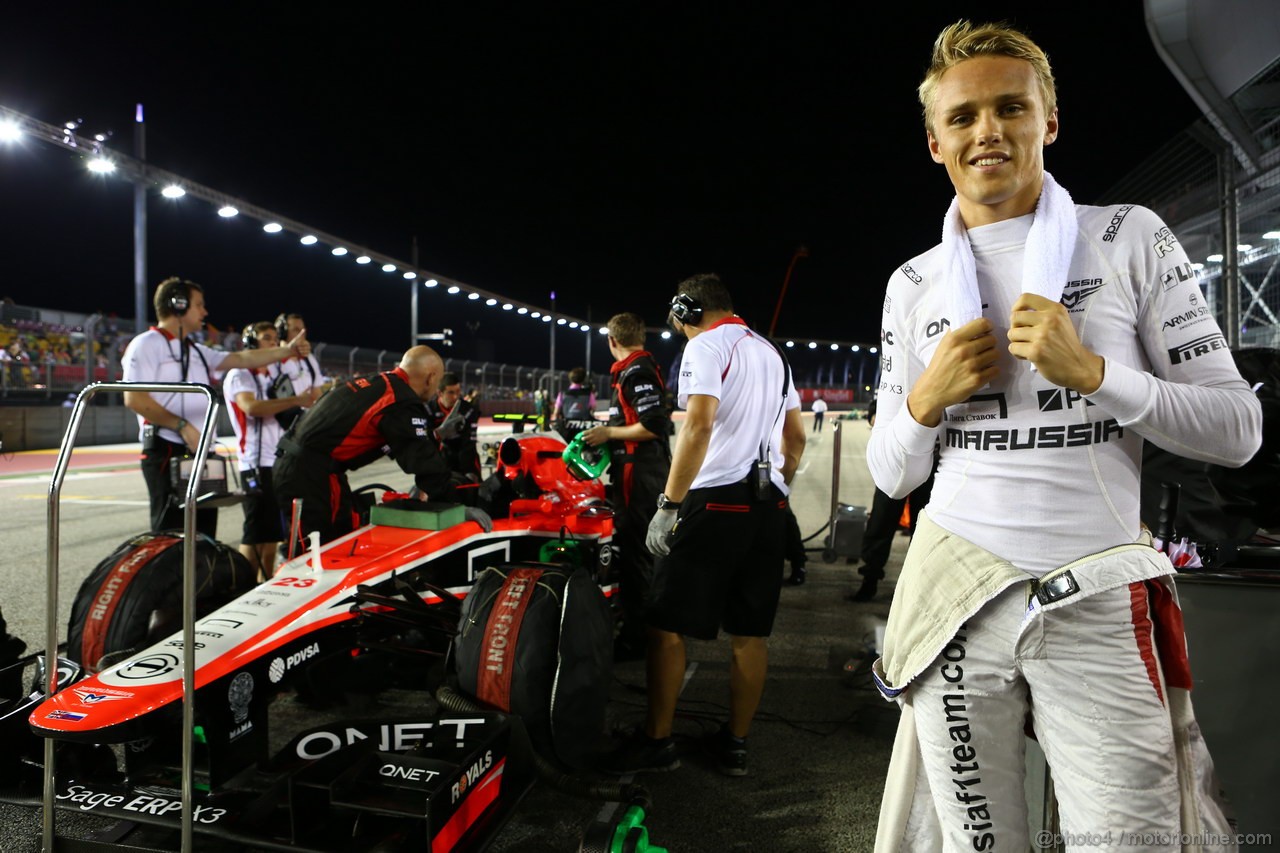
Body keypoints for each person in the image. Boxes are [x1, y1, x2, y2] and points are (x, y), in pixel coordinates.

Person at [868, 21, 1261, 849]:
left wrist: (1095, 375)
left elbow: (1239, 429)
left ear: (1048, 120)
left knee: (1135, 839)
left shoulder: (1125, 237)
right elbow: (891, 472)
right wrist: (926, 401)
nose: (988, 130)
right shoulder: (914, 283)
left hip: (1096, 599)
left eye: (1011, 107)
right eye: (965, 116)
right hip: (955, 609)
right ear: (935, 140)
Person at [604, 274, 805, 777]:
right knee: (750, 634)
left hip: (714, 501)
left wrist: (669, 504)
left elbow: (697, 425)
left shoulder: (706, 347)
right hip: (769, 506)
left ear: (687, 311)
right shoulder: (773, 354)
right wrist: (776, 489)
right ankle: (735, 745)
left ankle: (657, 741)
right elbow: (795, 439)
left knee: (665, 623)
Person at [122, 277, 309, 537]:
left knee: (204, 536)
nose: (205, 312)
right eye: (199, 305)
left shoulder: (196, 351)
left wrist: (285, 352)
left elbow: (240, 358)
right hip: (168, 450)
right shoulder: (146, 344)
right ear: (179, 304)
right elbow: (134, 399)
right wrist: (182, 426)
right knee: (173, 537)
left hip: (203, 453)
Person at [273, 346, 453, 546]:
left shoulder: (377, 383)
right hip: (312, 475)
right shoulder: (400, 399)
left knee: (328, 542)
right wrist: (455, 505)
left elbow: (399, 440)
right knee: (323, 553)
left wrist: (436, 434)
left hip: (297, 465)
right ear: (430, 377)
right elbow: (422, 460)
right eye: (438, 382)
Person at [580, 312, 672, 660]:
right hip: (641, 472)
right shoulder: (637, 368)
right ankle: (644, 628)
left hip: (641, 477)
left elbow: (653, 425)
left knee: (638, 557)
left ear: (612, 341)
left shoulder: (636, 372)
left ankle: (638, 638)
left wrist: (609, 432)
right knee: (642, 554)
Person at [224, 322, 319, 579]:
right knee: (255, 533)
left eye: (275, 339)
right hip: (254, 463)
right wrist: (296, 400)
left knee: (271, 534)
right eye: (267, 339)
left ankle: (261, 584)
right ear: (251, 344)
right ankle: (242, 586)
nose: (273, 344)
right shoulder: (240, 374)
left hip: (275, 461)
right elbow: (251, 407)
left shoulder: (271, 375)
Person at [846, 397, 933, 602]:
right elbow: (884, 397)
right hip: (896, 459)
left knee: (924, 531)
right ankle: (870, 580)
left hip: (933, 459)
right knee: (879, 523)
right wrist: (874, 414)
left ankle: (918, 587)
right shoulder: (904, 368)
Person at [270, 311, 328, 431]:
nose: (302, 333)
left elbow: (317, 396)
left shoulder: (309, 360)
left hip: (303, 428)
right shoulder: (271, 360)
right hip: (275, 429)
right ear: (282, 332)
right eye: (296, 329)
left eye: (303, 329)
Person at [425, 371, 481, 479]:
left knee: (474, 485)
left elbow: (469, 444)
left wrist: (469, 472)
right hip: (439, 458)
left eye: (458, 391)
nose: (456, 396)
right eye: (450, 392)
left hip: (465, 456)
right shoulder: (428, 410)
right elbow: (424, 441)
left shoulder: (469, 410)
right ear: (440, 393)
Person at [551, 366, 597, 440]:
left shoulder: (562, 394)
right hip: (583, 432)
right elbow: (593, 410)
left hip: (566, 430)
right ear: (583, 379)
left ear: (570, 379)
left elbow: (556, 413)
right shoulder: (589, 394)